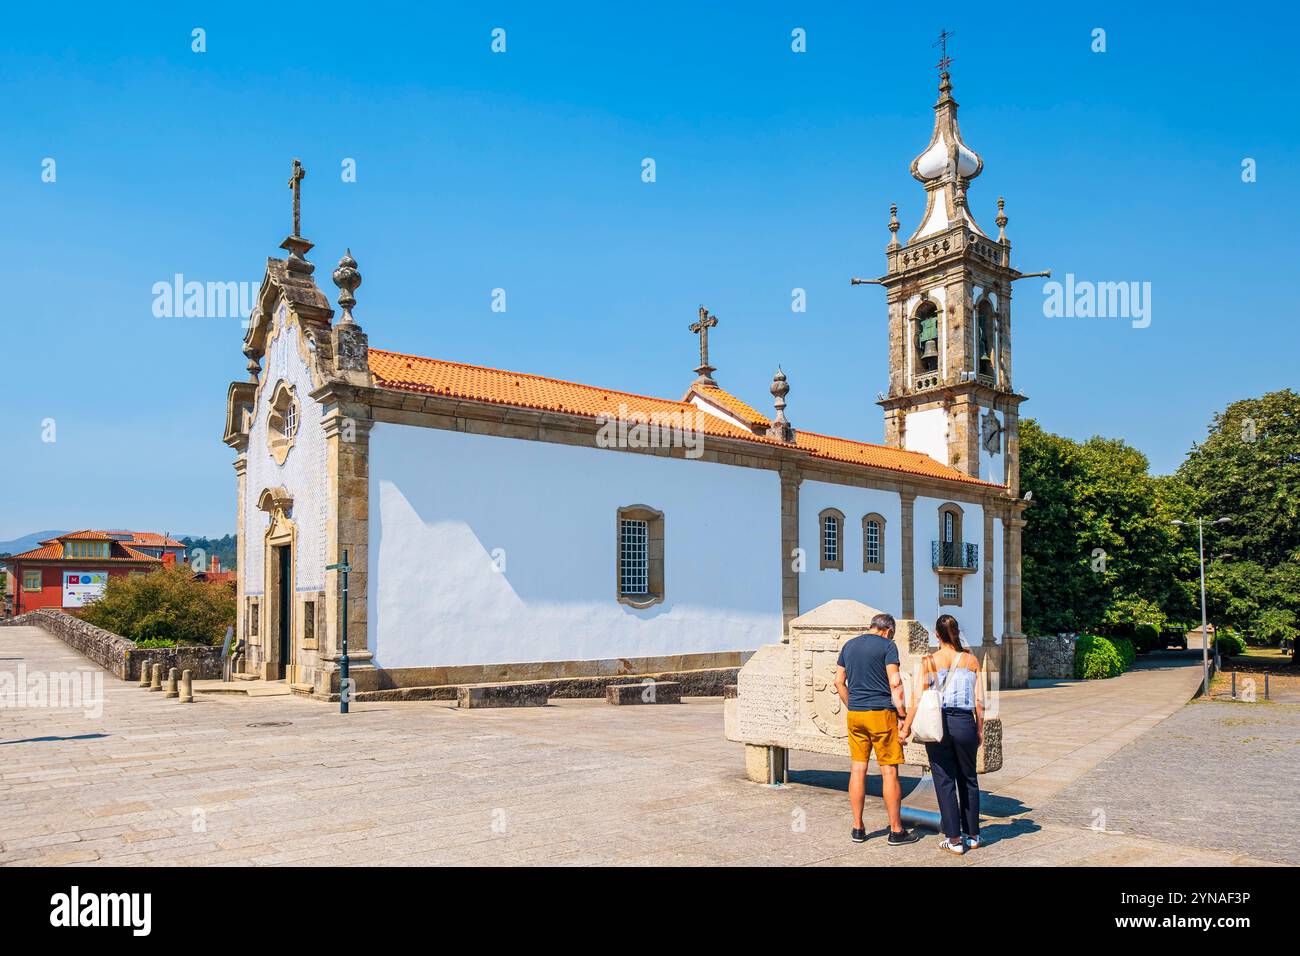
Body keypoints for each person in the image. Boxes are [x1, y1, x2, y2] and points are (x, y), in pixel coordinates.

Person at [834, 612, 920, 845]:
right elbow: (895, 682)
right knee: (889, 771)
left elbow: (838, 681)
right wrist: (902, 714)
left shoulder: (849, 646)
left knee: (857, 769)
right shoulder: (887, 646)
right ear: (889, 631)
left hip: (856, 715)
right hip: (881, 714)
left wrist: (851, 704)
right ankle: (896, 830)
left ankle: (858, 828)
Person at [902, 614, 983, 855]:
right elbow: (980, 701)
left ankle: (955, 840)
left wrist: (905, 727)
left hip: (939, 724)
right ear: (956, 632)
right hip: (965, 723)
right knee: (969, 779)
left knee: (944, 779)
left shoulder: (929, 661)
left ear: (936, 635)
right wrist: (979, 728)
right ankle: (973, 835)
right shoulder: (972, 660)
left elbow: (917, 699)